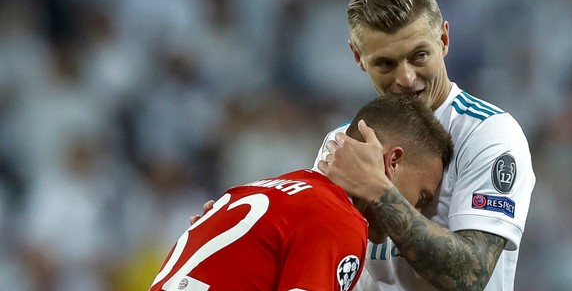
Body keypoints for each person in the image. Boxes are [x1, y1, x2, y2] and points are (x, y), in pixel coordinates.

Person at [316, 0, 536, 291]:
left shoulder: (489, 135)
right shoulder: (342, 144)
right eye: (385, 64)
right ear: (358, 58)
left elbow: (469, 275)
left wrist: (378, 190)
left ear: (444, 40)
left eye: (419, 56)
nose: (406, 78)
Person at [149, 94, 453, 291]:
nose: (416, 210)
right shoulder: (337, 219)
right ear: (393, 162)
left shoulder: (251, 191)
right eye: (423, 197)